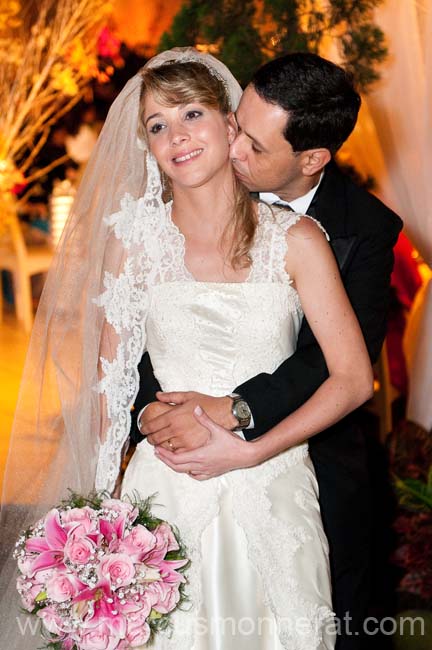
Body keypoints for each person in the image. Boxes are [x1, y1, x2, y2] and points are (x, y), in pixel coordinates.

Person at [0, 48, 370, 649]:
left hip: (273, 484)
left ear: (230, 127)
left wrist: (251, 453)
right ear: (145, 145)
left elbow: (353, 380)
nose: (176, 136)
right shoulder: (131, 240)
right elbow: (107, 392)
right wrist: (93, 524)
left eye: (192, 114)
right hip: (165, 487)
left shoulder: (297, 240)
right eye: (157, 125)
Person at [133, 53, 403, 648]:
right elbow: (127, 354)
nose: (229, 146)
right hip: (173, 462)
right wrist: (150, 409)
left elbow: (336, 368)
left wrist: (235, 420)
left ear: (310, 160)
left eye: (250, 142)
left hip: (303, 454)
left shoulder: (353, 230)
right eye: (235, 121)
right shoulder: (139, 235)